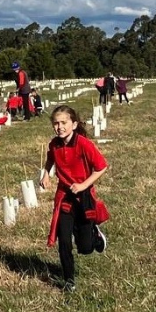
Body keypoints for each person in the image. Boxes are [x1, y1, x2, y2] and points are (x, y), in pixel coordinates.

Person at [39, 105, 109, 294]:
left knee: (85, 248)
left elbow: (101, 167)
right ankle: (69, 280)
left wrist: (84, 185)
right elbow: (50, 159)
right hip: (65, 198)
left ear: (74, 124)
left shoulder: (84, 144)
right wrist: (46, 174)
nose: (59, 127)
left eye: (64, 123)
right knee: (64, 241)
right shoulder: (54, 144)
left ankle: (93, 233)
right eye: (56, 123)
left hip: (83, 196)